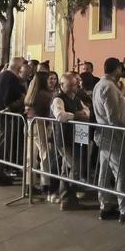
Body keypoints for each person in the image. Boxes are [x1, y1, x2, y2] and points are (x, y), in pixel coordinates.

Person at [93, 57, 125, 223]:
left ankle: (105, 206)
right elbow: (112, 115)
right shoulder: (108, 87)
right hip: (112, 133)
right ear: (117, 69)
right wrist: (122, 127)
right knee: (120, 172)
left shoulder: (101, 84)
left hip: (106, 132)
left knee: (105, 172)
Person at [51, 72, 93, 210]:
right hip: (64, 138)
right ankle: (67, 196)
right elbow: (60, 116)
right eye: (72, 84)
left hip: (76, 137)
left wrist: (82, 114)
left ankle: (66, 198)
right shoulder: (58, 99)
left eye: (76, 84)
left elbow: (87, 111)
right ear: (63, 85)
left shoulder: (76, 97)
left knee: (66, 168)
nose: (76, 86)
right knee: (75, 167)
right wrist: (75, 115)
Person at [0, 57, 27, 186]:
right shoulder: (12, 79)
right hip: (5, 115)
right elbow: (14, 97)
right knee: (1, 145)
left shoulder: (0, 76)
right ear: (19, 68)